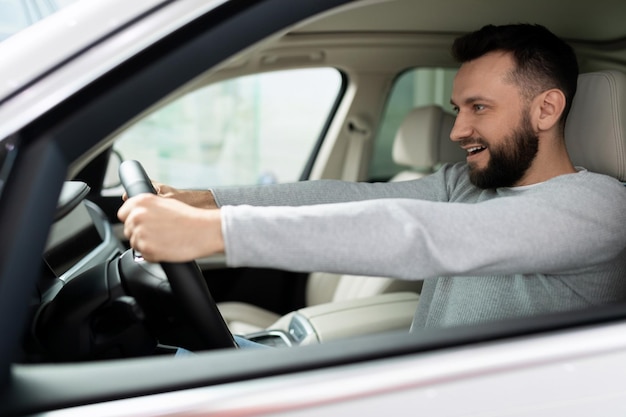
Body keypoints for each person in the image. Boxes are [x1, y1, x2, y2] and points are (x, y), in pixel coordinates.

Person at [118, 24, 626, 331]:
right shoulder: (470, 184)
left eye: (479, 108)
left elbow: (421, 235)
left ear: (547, 109)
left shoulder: (597, 206)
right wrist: (207, 200)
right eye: (457, 108)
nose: (457, 130)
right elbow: (347, 196)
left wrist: (213, 234)